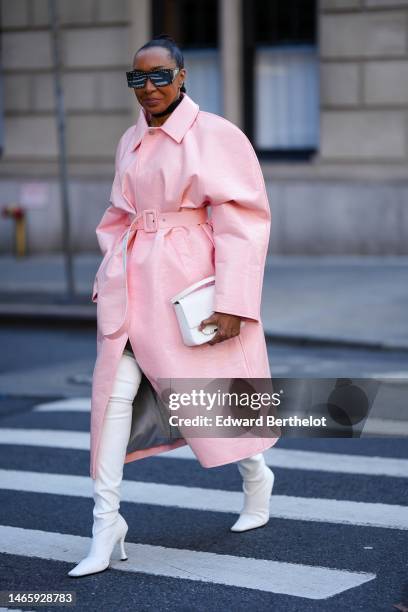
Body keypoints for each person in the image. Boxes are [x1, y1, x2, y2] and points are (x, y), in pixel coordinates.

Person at [68, 34, 279, 578]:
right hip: (131, 286)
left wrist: (234, 302)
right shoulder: (129, 140)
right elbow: (116, 215)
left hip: (189, 287)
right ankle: (105, 521)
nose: (149, 88)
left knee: (210, 400)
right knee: (111, 399)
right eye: (138, 78)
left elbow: (243, 223)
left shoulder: (215, 136)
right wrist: (109, 269)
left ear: (183, 76)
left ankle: (255, 473)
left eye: (160, 75)